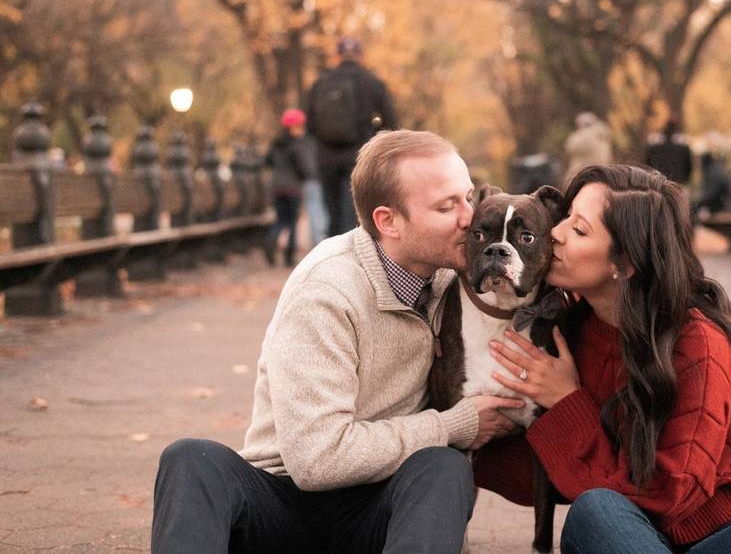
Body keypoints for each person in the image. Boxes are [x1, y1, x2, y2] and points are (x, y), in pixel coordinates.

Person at [152, 130, 524, 554]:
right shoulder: (327, 291)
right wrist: (455, 425)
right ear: (389, 222)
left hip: (381, 511)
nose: (468, 217)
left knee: (443, 468)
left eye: (468, 197)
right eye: (446, 206)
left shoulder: (456, 272)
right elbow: (316, 460)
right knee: (190, 461)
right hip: (285, 502)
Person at [474, 164, 731, 553]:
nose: (555, 234)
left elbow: (668, 495)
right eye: (564, 219)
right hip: (630, 538)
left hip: (727, 536)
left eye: (578, 230)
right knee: (596, 510)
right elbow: (548, 471)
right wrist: (460, 430)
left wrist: (566, 402)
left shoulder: (698, 343)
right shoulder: (568, 328)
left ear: (625, 263)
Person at [307, 36, 398, 237]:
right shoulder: (372, 81)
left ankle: (330, 255)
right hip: (359, 155)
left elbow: (310, 124)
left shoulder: (321, 82)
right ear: (360, 55)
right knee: (354, 210)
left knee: (332, 212)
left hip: (326, 156)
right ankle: (350, 256)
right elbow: (391, 122)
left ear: (337, 55)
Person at [263, 110, 311, 267]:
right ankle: (289, 257)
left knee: (281, 220)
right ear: (293, 127)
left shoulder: (276, 144)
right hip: (292, 189)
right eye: (300, 126)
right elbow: (305, 168)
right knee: (291, 224)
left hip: (277, 188)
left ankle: (271, 239)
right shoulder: (297, 145)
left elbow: (267, 161)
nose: (302, 129)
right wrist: (306, 175)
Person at [563, 111, 613, 187]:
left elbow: (570, 147)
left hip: (582, 174)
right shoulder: (602, 134)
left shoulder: (580, 136)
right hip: (603, 173)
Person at [645, 118, 693, 185]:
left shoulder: (655, 146)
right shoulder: (682, 147)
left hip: (659, 182)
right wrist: (685, 179)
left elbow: (648, 163)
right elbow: (689, 166)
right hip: (678, 181)